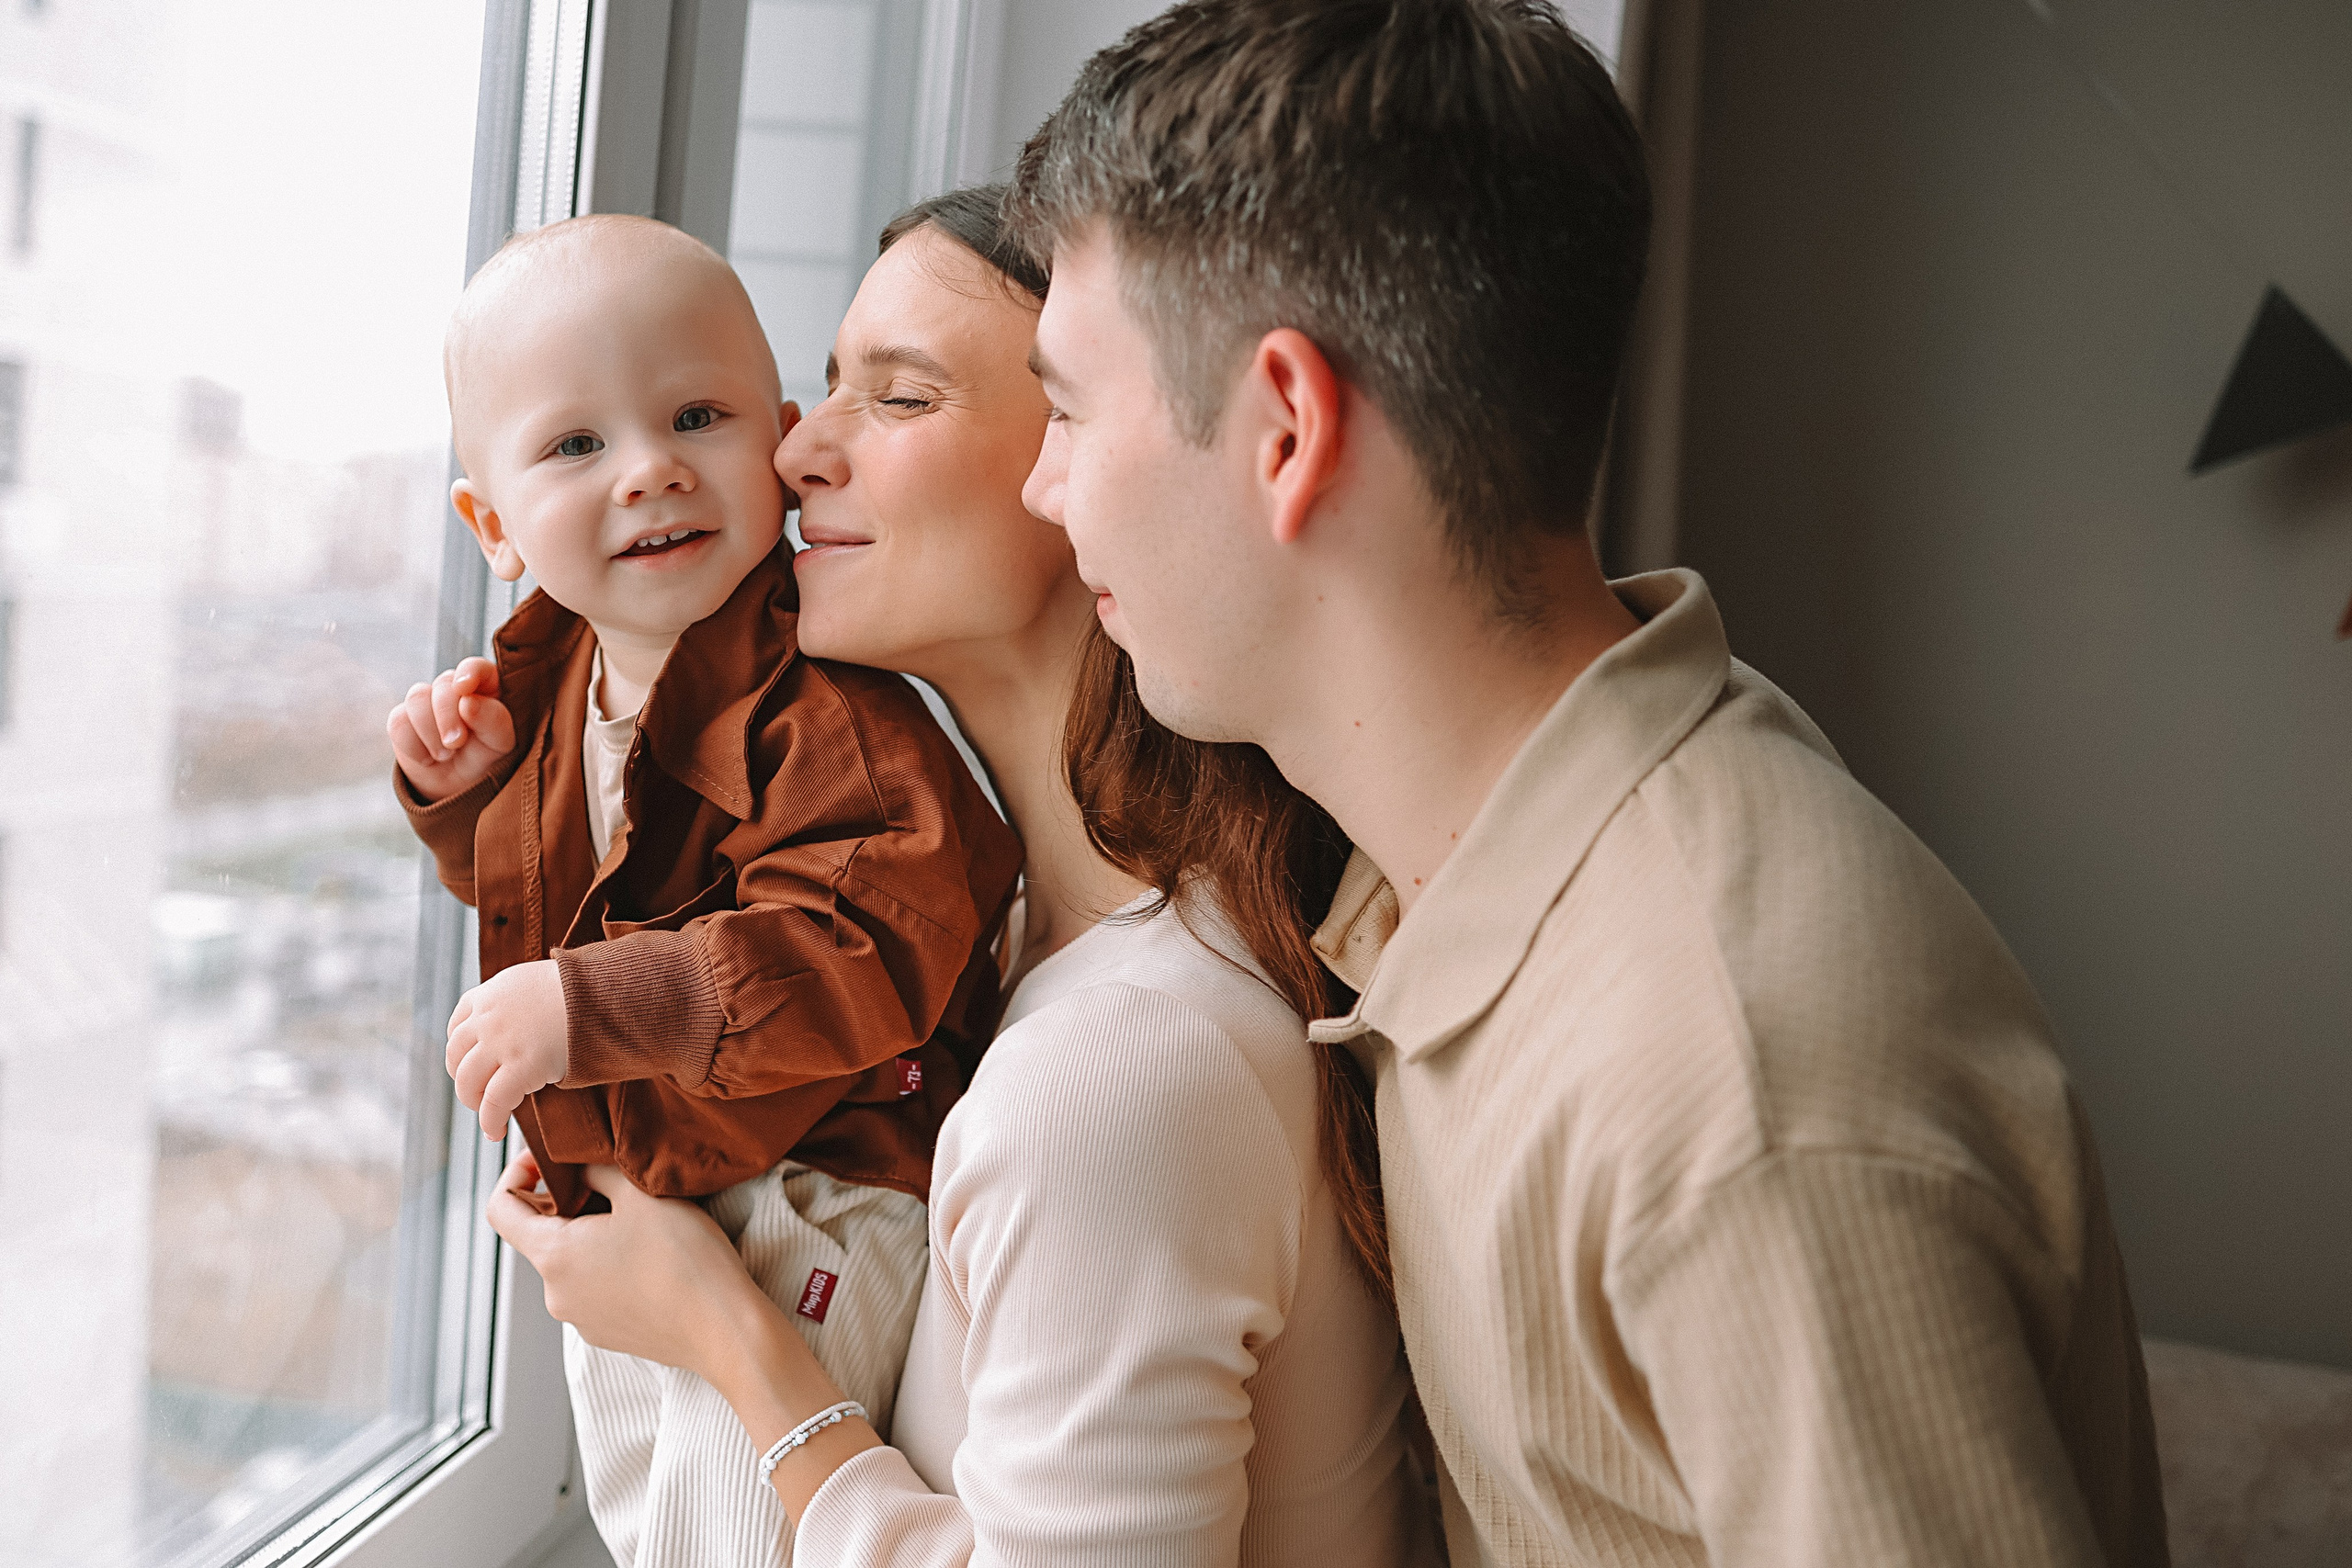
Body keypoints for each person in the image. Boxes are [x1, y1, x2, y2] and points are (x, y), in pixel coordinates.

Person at [1008, 1, 2170, 1565]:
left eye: (1070, 407)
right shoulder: (1437, 879)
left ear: (1285, 428)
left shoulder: (1736, 1081)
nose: (1042, 481)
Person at [489, 187, 1436, 1567]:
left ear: (1083, 469)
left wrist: (726, 1336)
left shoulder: (1125, 1062)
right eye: (820, 389)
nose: (796, 451)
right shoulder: (989, 941)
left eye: (902, 397)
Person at [390, 214, 1022, 1567]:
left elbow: (856, 943)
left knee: (743, 1537)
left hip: (825, 1179)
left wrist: (591, 1003)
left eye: (696, 415)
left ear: (777, 442)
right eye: (577, 445)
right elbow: (556, 904)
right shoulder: (554, 686)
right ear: (494, 524)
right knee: (653, 1515)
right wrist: (468, 802)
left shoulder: (832, 712)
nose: (651, 471)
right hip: (666, 1170)